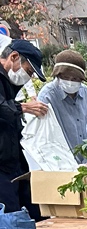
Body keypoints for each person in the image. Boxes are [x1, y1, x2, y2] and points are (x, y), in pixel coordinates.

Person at [0, 38, 48, 214]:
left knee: (33, 210)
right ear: (13, 57)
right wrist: (25, 107)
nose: (28, 77)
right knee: (10, 215)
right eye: (28, 71)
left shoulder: (9, 82)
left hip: (15, 160)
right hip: (2, 165)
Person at [39, 50, 87, 157]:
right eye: (65, 78)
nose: (70, 82)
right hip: (62, 163)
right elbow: (44, 137)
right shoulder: (47, 97)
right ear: (57, 75)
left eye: (75, 79)